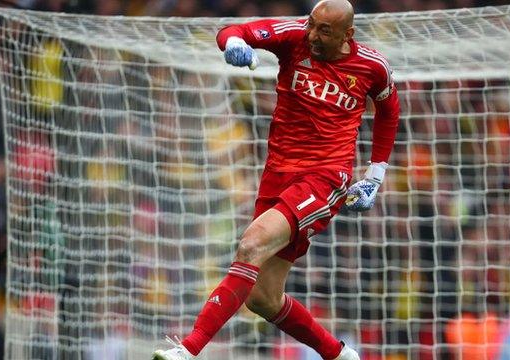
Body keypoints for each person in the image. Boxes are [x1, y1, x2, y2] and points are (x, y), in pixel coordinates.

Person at [153, 0, 399, 359]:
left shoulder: (372, 66)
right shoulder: (295, 37)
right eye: (312, 24)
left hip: (326, 177)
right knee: (263, 298)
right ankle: (339, 354)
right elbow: (233, 30)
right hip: (277, 176)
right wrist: (234, 44)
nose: (313, 34)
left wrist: (375, 175)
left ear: (348, 34)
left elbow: (389, 112)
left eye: (324, 30)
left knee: (251, 245)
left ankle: (187, 350)